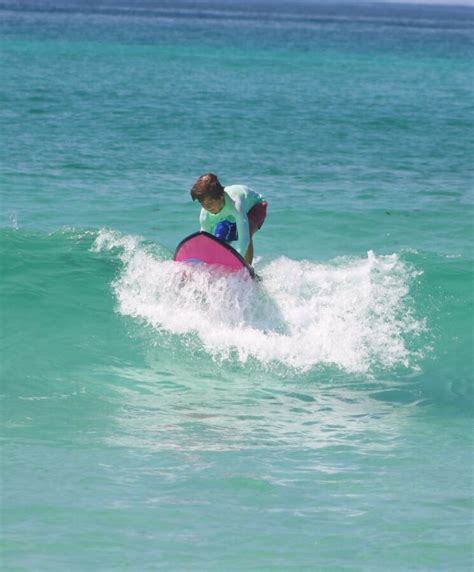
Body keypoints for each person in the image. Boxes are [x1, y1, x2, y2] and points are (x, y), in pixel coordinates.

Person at [190, 173, 267, 265]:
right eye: (203, 203)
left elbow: (244, 239)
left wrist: (236, 264)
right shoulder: (205, 215)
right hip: (230, 216)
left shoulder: (235, 204)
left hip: (256, 206)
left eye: (210, 202)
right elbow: (206, 240)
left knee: (247, 231)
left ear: (221, 196)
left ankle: (247, 269)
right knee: (219, 242)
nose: (208, 207)